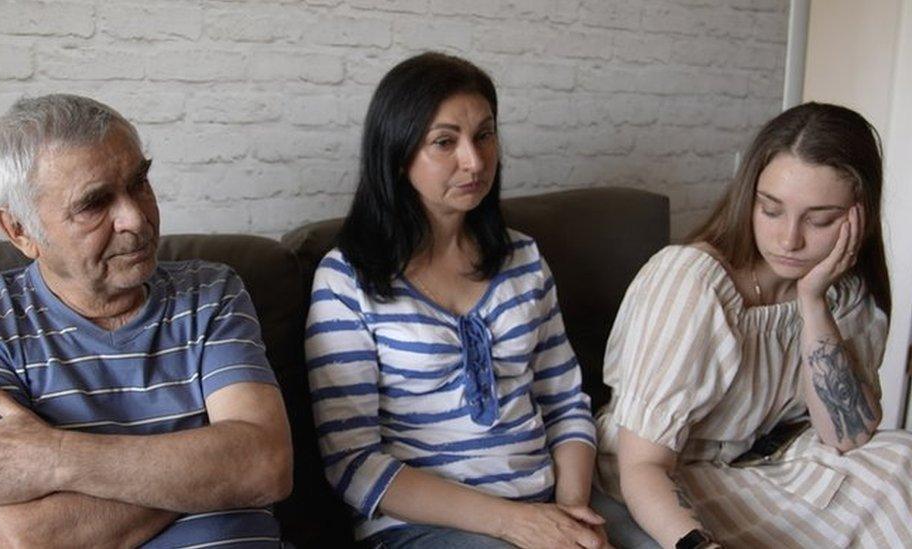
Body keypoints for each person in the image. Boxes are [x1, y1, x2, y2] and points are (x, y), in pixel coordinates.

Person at [305, 51, 636, 549]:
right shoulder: (346, 279)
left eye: (484, 134)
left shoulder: (524, 258)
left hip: (550, 500)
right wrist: (514, 524)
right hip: (425, 528)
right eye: (445, 142)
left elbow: (566, 404)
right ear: (397, 156)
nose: (475, 161)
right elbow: (353, 462)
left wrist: (570, 510)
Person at [0, 94, 292, 548]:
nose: (136, 218)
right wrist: (210, 465)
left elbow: (266, 465)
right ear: (20, 230)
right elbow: (28, 539)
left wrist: (54, 456)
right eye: (94, 203)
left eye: (139, 182)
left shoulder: (211, 291)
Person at [596, 102, 912, 548]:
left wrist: (813, 302)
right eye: (771, 210)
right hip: (664, 477)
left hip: (761, 465)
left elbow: (846, 436)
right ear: (749, 197)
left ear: (859, 218)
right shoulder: (693, 282)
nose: (789, 239)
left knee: (899, 461)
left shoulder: (839, 290)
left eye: (819, 219)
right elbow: (641, 465)